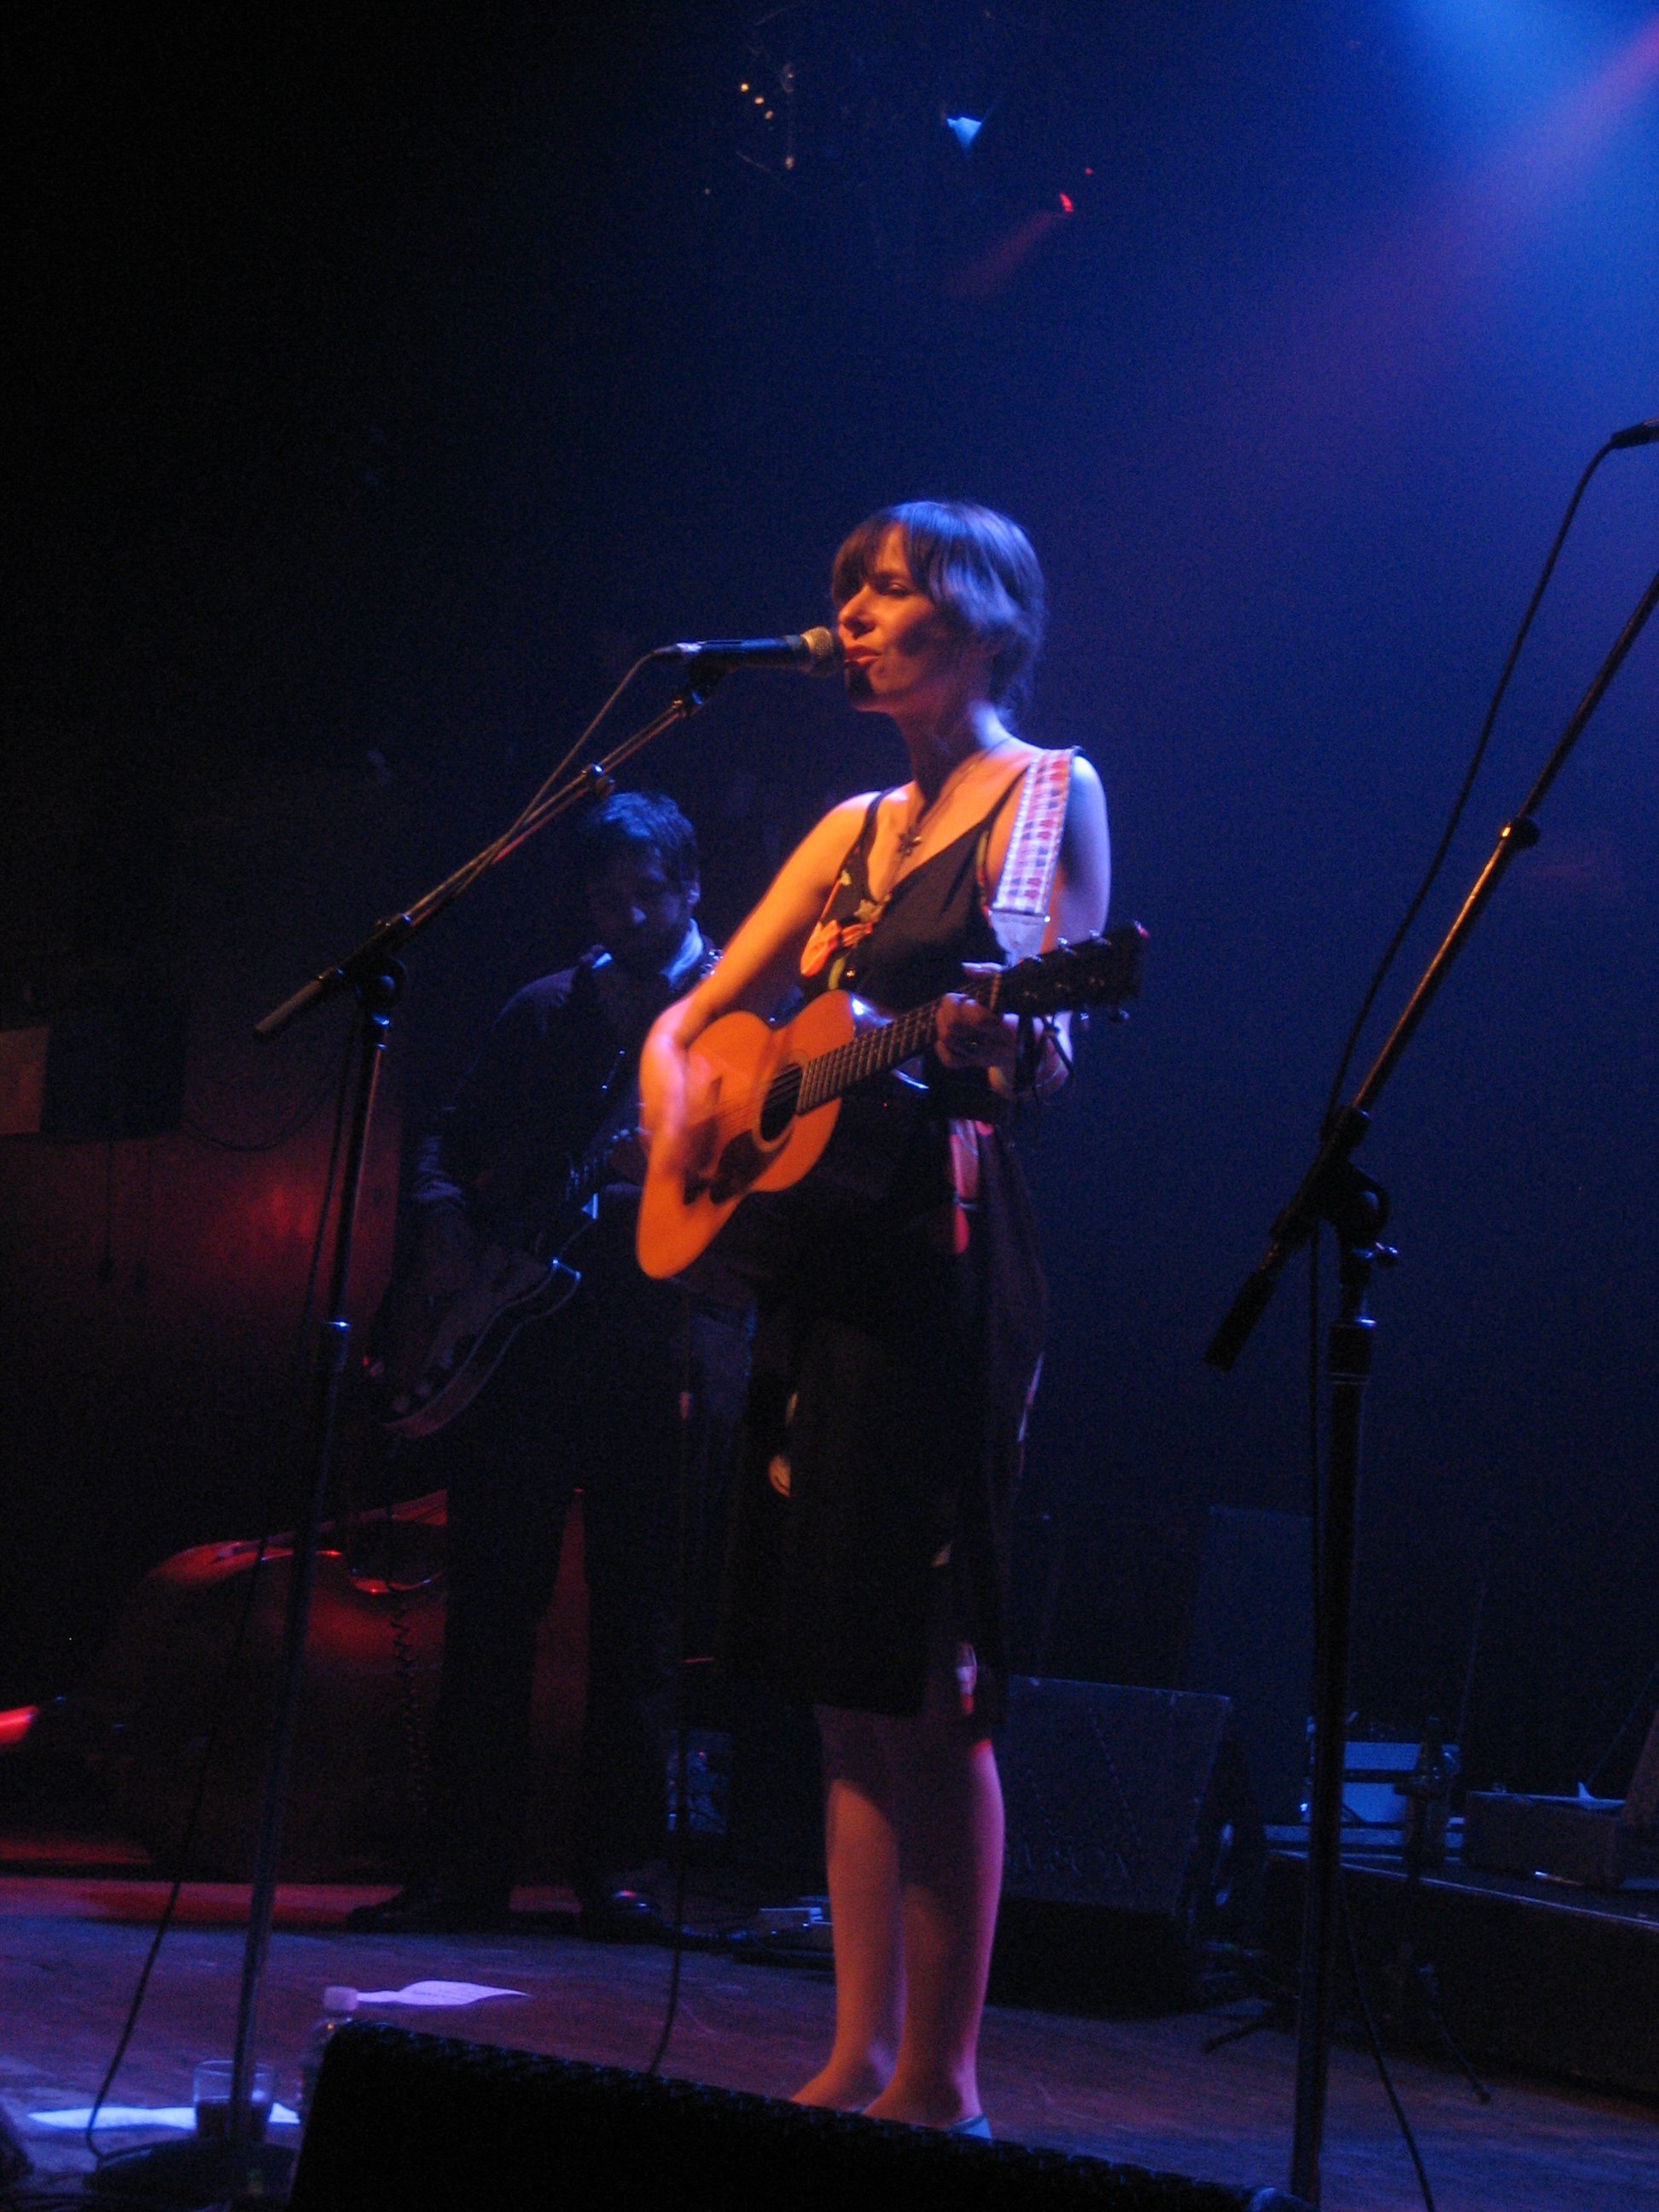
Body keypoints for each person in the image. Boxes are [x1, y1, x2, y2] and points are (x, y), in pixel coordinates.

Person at [640, 502, 1110, 2132]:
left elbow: (1047, 1052)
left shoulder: (1048, 794)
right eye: (845, 592)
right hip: (822, 1266)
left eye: (887, 591)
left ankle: (941, 2079)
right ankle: (854, 2055)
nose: (849, 617)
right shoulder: (848, 827)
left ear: (977, 622)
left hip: (943, 1255)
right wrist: (685, 1103)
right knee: (844, 1682)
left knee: (932, 1676)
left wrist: (1007, 1039)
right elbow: (696, 1014)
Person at [352, 789, 750, 1938]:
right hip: (527, 1346)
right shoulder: (544, 1009)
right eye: (605, 898)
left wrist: (682, 1169)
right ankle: (462, 1868)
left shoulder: (742, 1014)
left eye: (647, 894)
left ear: (691, 888)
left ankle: (620, 1876)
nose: (626, 916)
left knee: (642, 1620)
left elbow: (778, 1170)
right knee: (491, 1608)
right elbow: (450, 1138)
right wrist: (443, 1224)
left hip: (664, 1343)